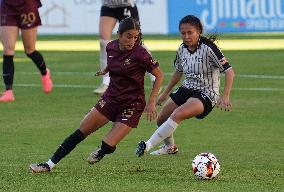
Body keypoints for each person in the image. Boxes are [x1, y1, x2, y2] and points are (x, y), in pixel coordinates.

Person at [29, 17, 163, 173]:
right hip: (110, 99)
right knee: (81, 132)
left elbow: (159, 75)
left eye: (135, 37)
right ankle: (48, 164)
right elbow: (115, 62)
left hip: (132, 105)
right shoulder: (111, 47)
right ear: (119, 34)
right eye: (128, 36)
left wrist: (152, 101)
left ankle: (102, 150)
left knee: (108, 145)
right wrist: (106, 70)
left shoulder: (141, 54)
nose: (132, 40)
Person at [135, 15, 235, 156]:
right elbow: (178, 72)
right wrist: (164, 94)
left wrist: (225, 95)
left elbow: (230, 71)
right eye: (183, 33)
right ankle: (170, 147)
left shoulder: (209, 48)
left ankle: (147, 145)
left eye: (190, 33)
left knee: (177, 114)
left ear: (198, 31)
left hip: (206, 93)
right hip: (187, 88)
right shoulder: (182, 49)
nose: (186, 36)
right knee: (161, 119)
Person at [93, 0, 157, 94]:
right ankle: (106, 83)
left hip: (126, 5)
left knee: (136, 43)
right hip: (108, 5)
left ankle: (154, 76)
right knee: (104, 43)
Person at [0, 0, 53, 102]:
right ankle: (8, 92)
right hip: (7, 6)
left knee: (30, 50)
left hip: (27, 5)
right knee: (8, 50)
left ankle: (45, 72)